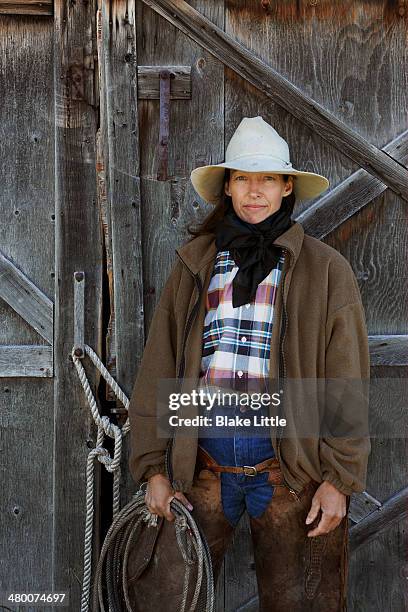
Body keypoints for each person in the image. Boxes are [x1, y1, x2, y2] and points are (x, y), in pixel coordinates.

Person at [127, 116, 371, 611]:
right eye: (242, 179)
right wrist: (153, 467)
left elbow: (347, 379)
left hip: (289, 468)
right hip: (201, 464)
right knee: (169, 599)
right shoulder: (195, 264)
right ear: (228, 188)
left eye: (266, 180)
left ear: (286, 188)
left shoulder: (326, 271)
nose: (253, 192)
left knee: (302, 602)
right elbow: (160, 365)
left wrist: (339, 480)